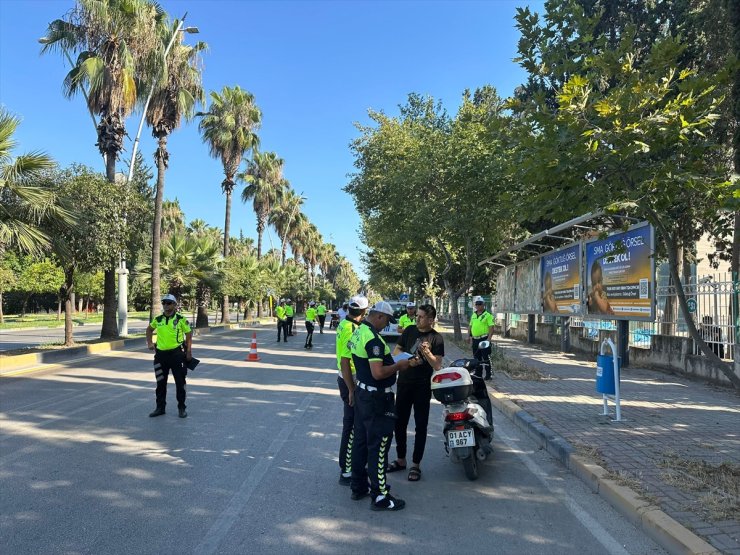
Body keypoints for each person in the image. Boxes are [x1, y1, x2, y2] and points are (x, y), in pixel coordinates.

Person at [350, 301, 419, 511]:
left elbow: (352, 360)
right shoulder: (373, 339)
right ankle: (380, 496)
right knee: (379, 446)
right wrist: (399, 365)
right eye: (387, 320)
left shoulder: (359, 331)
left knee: (360, 442)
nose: (386, 324)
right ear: (379, 316)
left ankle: (358, 486)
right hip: (377, 400)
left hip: (363, 394)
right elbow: (378, 373)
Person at [388, 304, 444, 482]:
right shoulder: (409, 330)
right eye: (417, 316)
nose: (417, 319)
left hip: (422, 386)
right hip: (404, 383)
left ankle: (416, 464)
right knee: (400, 423)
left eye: (421, 317)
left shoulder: (437, 338)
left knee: (421, 425)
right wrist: (409, 360)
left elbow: (437, 365)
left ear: (430, 320)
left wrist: (427, 352)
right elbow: (396, 351)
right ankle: (401, 459)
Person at [335, 295, 369, 485]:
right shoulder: (350, 329)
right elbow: (346, 362)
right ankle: (347, 469)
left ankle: (347, 466)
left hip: (347, 378)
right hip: (351, 379)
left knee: (352, 423)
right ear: (363, 312)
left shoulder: (345, 324)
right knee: (353, 425)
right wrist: (351, 389)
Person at [146, 294, 193, 418]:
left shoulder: (181, 319)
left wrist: (188, 352)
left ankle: (182, 408)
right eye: (164, 303)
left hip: (177, 355)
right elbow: (149, 329)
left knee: (180, 383)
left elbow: (188, 334)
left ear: (174, 305)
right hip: (160, 356)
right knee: (160, 383)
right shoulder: (158, 319)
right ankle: (160, 408)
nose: (166, 305)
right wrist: (150, 343)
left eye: (169, 303)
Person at [468, 296, 495, 380]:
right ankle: (478, 373)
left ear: (484, 305)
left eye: (480, 304)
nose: (478, 306)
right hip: (475, 339)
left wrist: (489, 339)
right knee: (476, 357)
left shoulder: (488, 315)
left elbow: (491, 328)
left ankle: (488, 374)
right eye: (477, 304)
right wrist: (469, 336)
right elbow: (470, 326)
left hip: (484, 339)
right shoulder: (473, 315)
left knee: (485, 357)